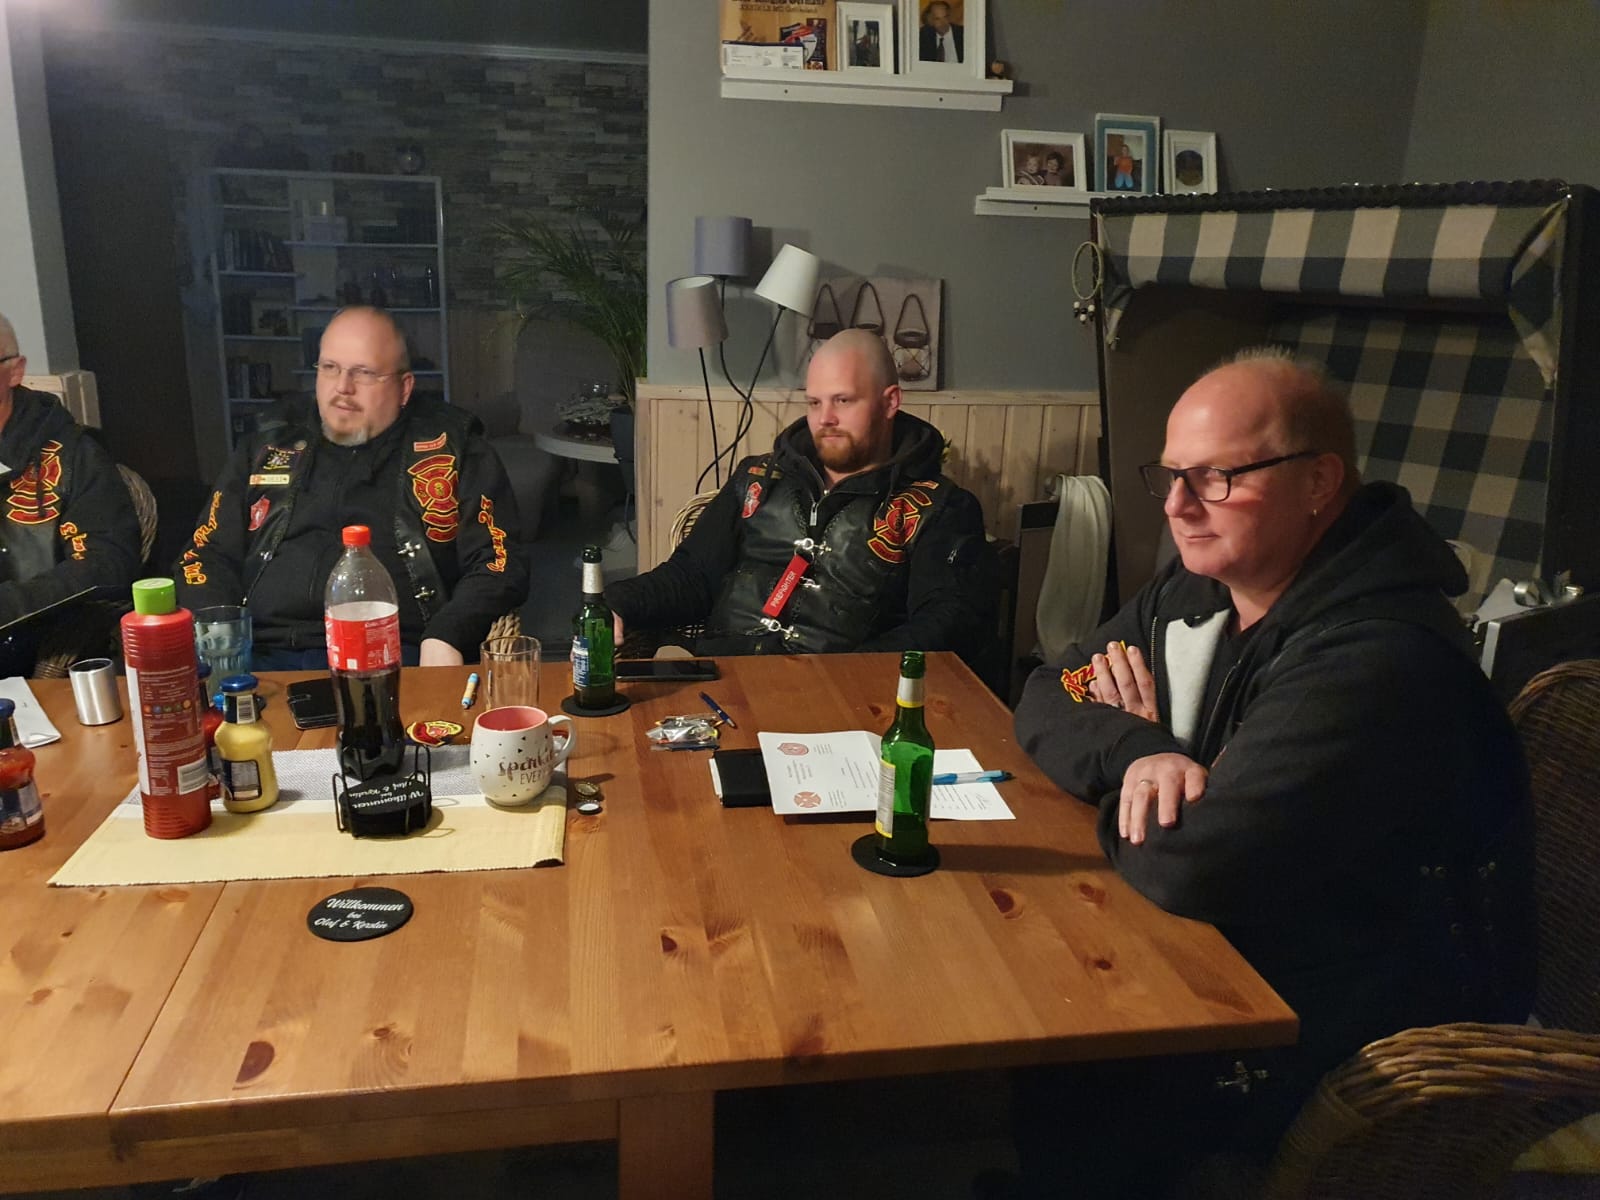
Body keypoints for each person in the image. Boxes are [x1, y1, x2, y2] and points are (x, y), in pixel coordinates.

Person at [1007, 348, 1534, 1197]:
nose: (1177, 506)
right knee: (1044, 1011)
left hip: (1353, 1023)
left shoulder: (1376, 656)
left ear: (1319, 481)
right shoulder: (1196, 586)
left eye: (1216, 478)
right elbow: (1046, 690)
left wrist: (1153, 786)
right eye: (1171, 475)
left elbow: (1197, 860)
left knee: (1064, 1035)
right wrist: (1140, 751)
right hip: (1237, 946)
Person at [605, 329, 996, 674]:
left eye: (843, 400)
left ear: (890, 402)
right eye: (814, 403)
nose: (825, 418)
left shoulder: (938, 508)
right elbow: (692, 575)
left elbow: (945, 622)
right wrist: (616, 603)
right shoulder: (756, 478)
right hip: (723, 678)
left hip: (845, 697)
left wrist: (848, 676)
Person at [175, 307, 528, 668]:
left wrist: (447, 634)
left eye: (364, 373)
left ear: (404, 388)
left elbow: (499, 562)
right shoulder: (269, 441)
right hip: (260, 653)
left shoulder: (453, 447)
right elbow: (205, 553)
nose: (342, 387)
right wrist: (222, 631)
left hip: (395, 655)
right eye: (330, 367)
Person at [0, 312, 143, 675]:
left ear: (15, 371)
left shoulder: (74, 455)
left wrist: (11, 604)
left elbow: (105, 564)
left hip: (23, 638)